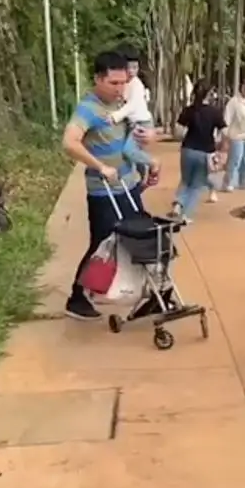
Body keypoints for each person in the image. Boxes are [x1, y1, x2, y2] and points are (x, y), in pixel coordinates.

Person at [60, 50, 158, 320]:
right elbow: (69, 143)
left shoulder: (122, 104)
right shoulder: (88, 109)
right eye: (113, 83)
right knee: (102, 244)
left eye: (123, 82)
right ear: (98, 79)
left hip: (129, 183)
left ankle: (148, 292)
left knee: (139, 236)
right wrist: (100, 166)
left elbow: (137, 137)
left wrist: (148, 140)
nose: (119, 88)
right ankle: (77, 298)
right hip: (103, 190)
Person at [171, 79, 228, 221]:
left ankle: (178, 204)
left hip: (187, 149)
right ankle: (186, 215)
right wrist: (222, 148)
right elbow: (225, 132)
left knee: (185, 180)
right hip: (206, 151)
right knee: (196, 185)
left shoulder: (189, 110)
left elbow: (177, 132)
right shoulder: (215, 112)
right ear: (209, 94)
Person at [108, 51, 160, 188]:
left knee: (129, 151)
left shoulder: (137, 85)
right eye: (129, 67)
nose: (132, 71)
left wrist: (115, 116)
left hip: (142, 123)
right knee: (131, 157)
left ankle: (153, 163)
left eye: (135, 67)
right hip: (133, 124)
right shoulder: (125, 83)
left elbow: (131, 106)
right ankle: (142, 180)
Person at [222, 80, 245, 191]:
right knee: (235, 158)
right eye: (244, 88)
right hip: (236, 135)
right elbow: (227, 118)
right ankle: (228, 181)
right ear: (241, 88)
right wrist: (225, 134)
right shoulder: (234, 102)